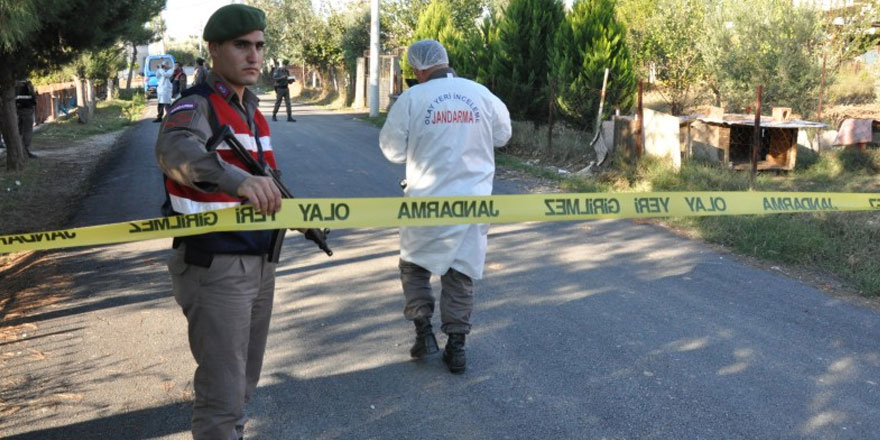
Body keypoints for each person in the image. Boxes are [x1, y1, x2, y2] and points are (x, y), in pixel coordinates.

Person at [154, 5, 282, 439]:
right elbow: (176, 151)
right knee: (222, 399)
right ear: (213, 49)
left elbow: (267, 181)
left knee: (241, 387)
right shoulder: (196, 105)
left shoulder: (252, 110)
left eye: (259, 46)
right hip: (217, 265)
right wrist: (238, 180)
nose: (254, 56)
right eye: (241, 45)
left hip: (259, 261)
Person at [379, 39, 512, 374]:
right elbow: (502, 136)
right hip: (472, 205)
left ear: (417, 68)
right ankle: (457, 346)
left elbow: (392, 151)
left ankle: (423, 332)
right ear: (445, 61)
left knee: (413, 267)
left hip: (425, 204)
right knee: (460, 274)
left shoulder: (412, 98)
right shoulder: (481, 94)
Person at [15, 79, 39, 158]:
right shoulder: (28, 86)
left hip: (16, 110)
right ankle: (25, 150)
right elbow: (33, 99)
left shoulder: (14, 87)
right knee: (27, 130)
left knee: (19, 130)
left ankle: (18, 149)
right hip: (27, 110)